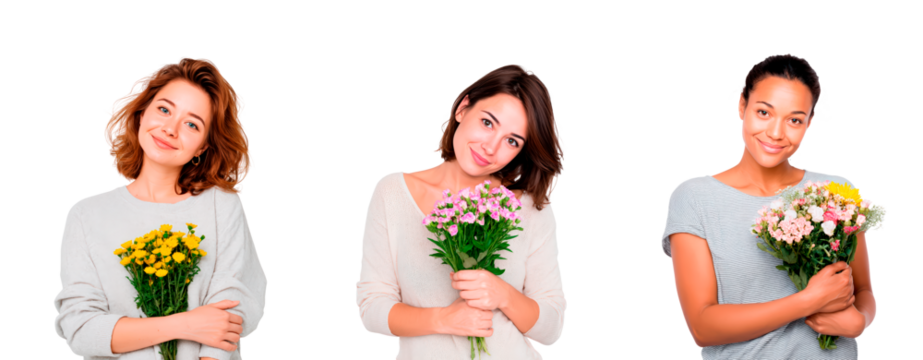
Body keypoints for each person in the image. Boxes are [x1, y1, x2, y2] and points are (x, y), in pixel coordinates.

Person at [52, 56, 266, 360]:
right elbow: (81, 330)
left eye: (192, 124)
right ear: (141, 113)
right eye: (164, 109)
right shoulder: (86, 215)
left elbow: (229, 316)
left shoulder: (222, 207)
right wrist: (185, 325)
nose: (170, 129)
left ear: (203, 146)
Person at [355, 64, 568, 359]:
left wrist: (502, 294)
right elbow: (371, 309)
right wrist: (443, 319)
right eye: (487, 122)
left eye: (511, 141)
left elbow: (552, 329)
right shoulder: (391, 193)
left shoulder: (528, 208)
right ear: (463, 109)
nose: (491, 147)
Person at [660, 53, 865, 358]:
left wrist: (859, 321)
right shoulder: (694, 197)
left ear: (809, 123)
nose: (776, 133)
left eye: (794, 119)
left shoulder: (837, 192)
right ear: (741, 106)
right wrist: (807, 301)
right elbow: (702, 327)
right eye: (764, 112)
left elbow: (864, 292)